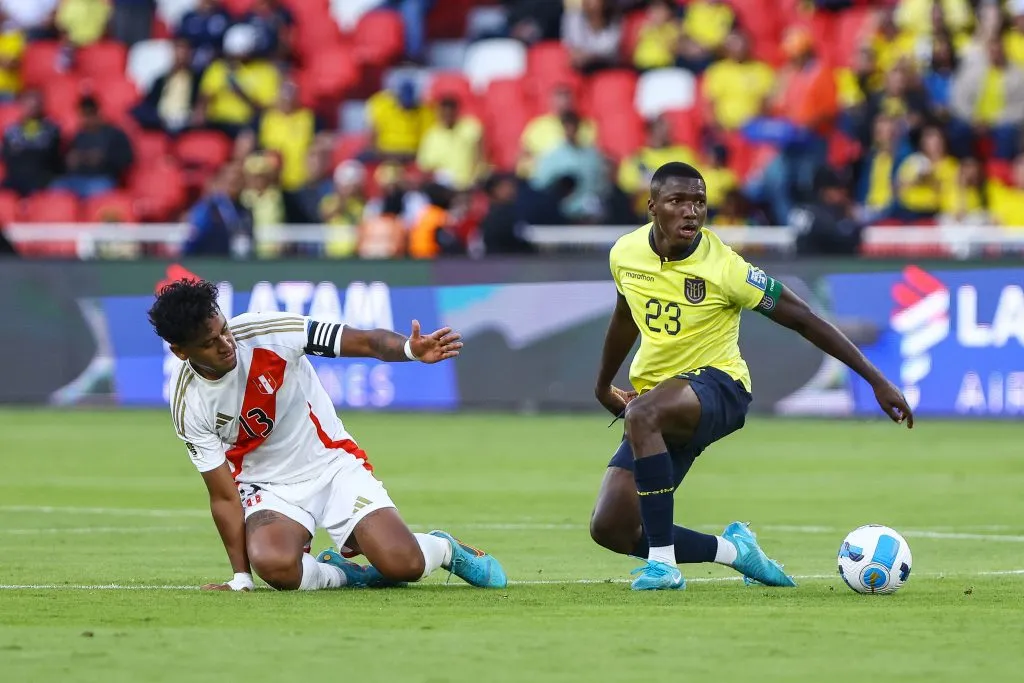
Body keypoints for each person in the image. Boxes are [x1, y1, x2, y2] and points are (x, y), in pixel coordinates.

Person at [590, 162, 914, 591]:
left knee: (643, 414)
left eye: (699, 202)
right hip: (659, 403)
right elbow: (625, 316)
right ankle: (735, 551)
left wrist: (875, 379)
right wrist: (603, 384)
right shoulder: (625, 254)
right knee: (612, 528)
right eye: (677, 201)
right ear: (652, 207)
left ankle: (663, 567)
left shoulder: (727, 269)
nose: (690, 211)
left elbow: (804, 318)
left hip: (720, 388)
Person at [148, 278, 507, 592]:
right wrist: (241, 578)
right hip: (267, 485)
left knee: (403, 564)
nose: (226, 343)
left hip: (332, 465)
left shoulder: (268, 331)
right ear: (180, 351)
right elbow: (223, 495)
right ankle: (345, 574)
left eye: (224, 329)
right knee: (275, 566)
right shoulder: (187, 402)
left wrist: (410, 350)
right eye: (209, 343)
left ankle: (444, 548)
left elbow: (366, 341)